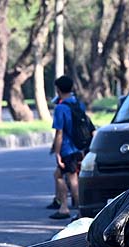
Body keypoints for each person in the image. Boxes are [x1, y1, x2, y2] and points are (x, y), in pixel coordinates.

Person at [50, 75, 86, 220]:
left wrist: (57, 153)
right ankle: (66, 207)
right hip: (79, 147)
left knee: (71, 178)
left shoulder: (61, 108)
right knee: (61, 175)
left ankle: (76, 210)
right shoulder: (78, 104)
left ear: (58, 89)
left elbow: (59, 133)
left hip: (67, 149)